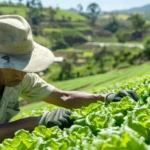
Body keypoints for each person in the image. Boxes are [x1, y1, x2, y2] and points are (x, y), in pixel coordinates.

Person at [0, 15, 138, 142]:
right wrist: (36, 122)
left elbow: (63, 97)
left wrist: (104, 98)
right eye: (11, 66)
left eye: (23, 66)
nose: (20, 74)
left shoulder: (22, 77)